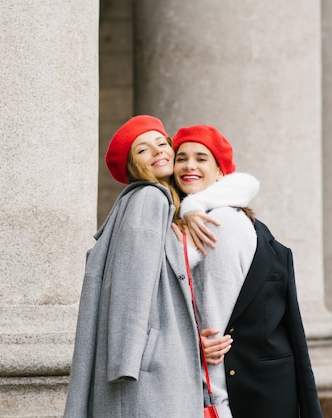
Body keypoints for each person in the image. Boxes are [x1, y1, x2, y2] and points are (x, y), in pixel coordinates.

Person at [63, 116, 259, 418]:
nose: (157, 152)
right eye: (143, 150)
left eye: (160, 143)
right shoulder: (150, 198)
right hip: (148, 371)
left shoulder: (170, 204)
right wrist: (134, 359)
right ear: (133, 167)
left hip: (157, 362)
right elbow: (133, 289)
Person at [172, 124, 324, 418]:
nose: (189, 165)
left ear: (220, 171)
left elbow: (217, 327)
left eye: (201, 158)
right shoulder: (222, 217)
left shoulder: (218, 224)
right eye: (181, 158)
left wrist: (214, 403)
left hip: (232, 395)